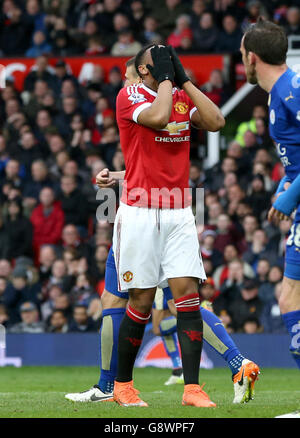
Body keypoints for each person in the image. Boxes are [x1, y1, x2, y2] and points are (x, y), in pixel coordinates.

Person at [65, 56, 259, 406]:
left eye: (128, 75)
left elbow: (215, 120)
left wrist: (182, 80)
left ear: (144, 71)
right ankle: (114, 384)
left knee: (180, 298)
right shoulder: (131, 97)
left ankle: (197, 383)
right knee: (129, 300)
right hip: (138, 213)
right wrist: (120, 176)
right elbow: (151, 142)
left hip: (175, 210)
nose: (126, 83)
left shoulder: (171, 96)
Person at [241, 19, 300, 370]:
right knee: (288, 296)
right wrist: (286, 186)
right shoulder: (280, 93)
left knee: (290, 296)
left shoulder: (292, 89)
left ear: (252, 57)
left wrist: (289, 198)